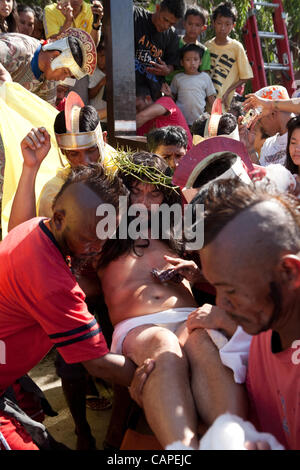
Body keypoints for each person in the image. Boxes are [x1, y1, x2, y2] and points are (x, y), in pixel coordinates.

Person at [96, 152, 248, 449]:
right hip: (141, 327)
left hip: (191, 319)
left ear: (165, 197)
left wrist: (196, 274)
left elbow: (230, 269)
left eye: (154, 193)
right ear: (122, 191)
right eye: (136, 190)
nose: (144, 201)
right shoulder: (105, 232)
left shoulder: (179, 230)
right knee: (162, 345)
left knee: (204, 341)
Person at [0, 163, 148, 450]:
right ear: (58, 218)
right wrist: (153, 376)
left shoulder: (37, 229)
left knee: (34, 418)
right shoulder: (51, 283)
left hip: (7, 370)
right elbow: (97, 363)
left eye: (106, 235)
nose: (98, 247)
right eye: (88, 239)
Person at [191, 178, 300, 450]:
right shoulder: (266, 328)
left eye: (232, 290)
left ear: (289, 272)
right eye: (215, 287)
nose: (221, 304)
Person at [0, 28, 97, 105]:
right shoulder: (18, 48)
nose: (63, 78)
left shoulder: (50, 81)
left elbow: (46, 112)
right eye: (65, 72)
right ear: (55, 56)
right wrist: (3, 73)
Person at [204, 1, 253, 111]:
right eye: (219, 23)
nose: (223, 28)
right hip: (205, 101)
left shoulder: (236, 47)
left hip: (224, 102)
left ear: (233, 25)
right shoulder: (207, 46)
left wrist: (228, 92)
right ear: (213, 23)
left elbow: (246, 76)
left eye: (227, 24)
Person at [134, 0, 185, 101]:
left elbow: (172, 63)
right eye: (165, 20)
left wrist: (167, 70)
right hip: (125, 88)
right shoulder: (135, 16)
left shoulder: (172, 36)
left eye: (171, 24)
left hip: (151, 96)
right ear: (157, 8)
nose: (166, 26)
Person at [239, 85, 293, 166]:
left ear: (273, 114)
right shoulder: (268, 144)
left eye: (259, 120)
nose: (260, 126)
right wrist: (250, 150)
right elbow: (261, 176)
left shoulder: (297, 137)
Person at [169, 43, 216, 126]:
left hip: (200, 122)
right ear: (182, 62)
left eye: (195, 59)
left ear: (200, 61)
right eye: (188, 60)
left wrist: (217, 116)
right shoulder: (177, 78)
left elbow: (211, 99)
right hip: (180, 121)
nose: (192, 63)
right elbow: (172, 98)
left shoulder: (205, 77)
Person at [136, 84, 193, 150]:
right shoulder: (141, 123)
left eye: (137, 107)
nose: (135, 111)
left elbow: (141, 117)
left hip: (185, 157)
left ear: (148, 99)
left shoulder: (165, 101)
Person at [88, 38, 107, 124]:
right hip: (96, 117)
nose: (100, 60)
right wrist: (102, 83)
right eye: (98, 56)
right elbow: (90, 94)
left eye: (103, 56)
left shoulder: (114, 73)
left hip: (110, 119)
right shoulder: (93, 72)